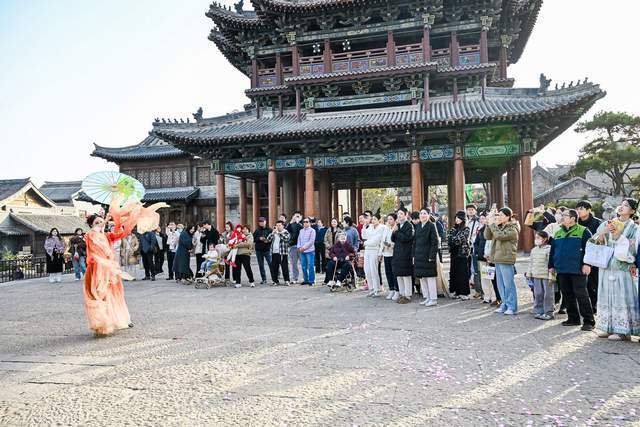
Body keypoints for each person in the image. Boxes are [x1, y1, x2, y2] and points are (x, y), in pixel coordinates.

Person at [83, 198, 165, 335]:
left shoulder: (107, 236)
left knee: (115, 295)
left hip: (110, 270)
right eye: (96, 222)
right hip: (98, 269)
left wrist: (130, 219)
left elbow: (121, 234)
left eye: (100, 221)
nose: (99, 224)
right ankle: (101, 321)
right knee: (101, 295)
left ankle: (121, 320)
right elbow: (95, 249)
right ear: (91, 225)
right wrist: (105, 220)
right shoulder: (91, 235)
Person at [596, 199, 640, 340]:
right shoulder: (609, 222)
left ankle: (623, 331)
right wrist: (602, 235)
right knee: (607, 296)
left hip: (622, 267)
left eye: (626, 205)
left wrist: (618, 236)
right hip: (607, 265)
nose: (621, 207)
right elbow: (598, 239)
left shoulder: (634, 228)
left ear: (632, 211)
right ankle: (607, 327)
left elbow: (633, 248)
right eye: (621, 204)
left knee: (621, 297)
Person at [549, 209, 595, 331]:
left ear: (573, 218)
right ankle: (573, 318)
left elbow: (591, 248)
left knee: (581, 295)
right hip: (562, 269)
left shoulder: (583, 231)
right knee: (567, 294)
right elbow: (553, 251)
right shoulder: (558, 232)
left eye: (564, 215)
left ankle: (589, 321)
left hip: (578, 269)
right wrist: (551, 266)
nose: (561, 217)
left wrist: (587, 264)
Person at [485, 207, 520, 315]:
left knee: (508, 284)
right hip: (497, 258)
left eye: (501, 215)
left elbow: (500, 236)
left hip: (506, 258)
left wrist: (492, 225)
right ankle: (504, 304)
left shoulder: (513, 227)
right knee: (500, 284)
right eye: (498, 215)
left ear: (508, 216)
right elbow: (487, 236)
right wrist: (488, 224)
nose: (499, 217)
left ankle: (512, 306)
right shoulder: (498, 226)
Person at [576, 200, 602, 313]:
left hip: (594, 257)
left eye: (581, 208)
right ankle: (583, 307)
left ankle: (594, 306)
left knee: (593, 283)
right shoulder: (576, 222)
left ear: (589, 210)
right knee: (580, 285)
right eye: (577, 209)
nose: (578, 211)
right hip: (579, 256)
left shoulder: (597, 223)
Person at [413, 208, 439, 306]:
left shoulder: (431, 226)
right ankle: (427, 297)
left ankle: (433, 298)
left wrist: (432, 256)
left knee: (430, 278)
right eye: (421, 213)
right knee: (422, 277)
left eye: (425, 213)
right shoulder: (418, 226)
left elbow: (434, 242)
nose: (422, 215)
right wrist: (413, 255)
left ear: (428, 215)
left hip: (428, 255)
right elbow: (414, 242)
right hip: (419, 255)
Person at [526, 231, 554, 320]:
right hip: (536, 275)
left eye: (538, 238)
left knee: (548, 295)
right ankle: (538, 311)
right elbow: (531, 263)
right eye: (536, 238)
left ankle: (549, 312)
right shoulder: (534, 250)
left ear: (545, 239)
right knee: (538, 294)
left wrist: (552, 275)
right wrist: (529, 273)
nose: (536, 239)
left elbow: (551, 263)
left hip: (547, 276)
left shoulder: (549, 249)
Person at [392, 208, 415, 304]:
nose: (399, 215)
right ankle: (401, 294)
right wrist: (394, 231)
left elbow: (407, 238)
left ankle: (407, 295)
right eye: (398, 214)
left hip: (406, 253)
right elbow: (393, 239)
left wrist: (397, 232)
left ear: (406, 215)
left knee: (406, 275)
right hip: (397, 253)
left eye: (401, 214)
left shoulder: (409, 225)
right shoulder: (398, 225)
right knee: (399, 275)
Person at [447, 211, 471, 300]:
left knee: (462, 273)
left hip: (462, 253)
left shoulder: (466, 229)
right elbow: (448, 240)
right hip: (454, 253)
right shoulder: (453, 229)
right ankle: (455, 292)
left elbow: (459, 240)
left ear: (463, 219)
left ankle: (464, 293)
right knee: (454, 272)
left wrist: (453, 240)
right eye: (456, 218)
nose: (457, 220)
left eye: (459, 218)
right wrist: (453, 240)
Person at [474, 213, 496, 305]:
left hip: (491, 258)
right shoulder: (481, 230)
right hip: (482, 257)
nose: (485, 220)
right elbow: (476, 243)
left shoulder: (494, 229)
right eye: (483, 219)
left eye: (487, 218)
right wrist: (477, 252)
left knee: (492, 278)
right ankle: (487, 296)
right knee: (484, 278)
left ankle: (494, 297)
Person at [362, 213, 385, 297]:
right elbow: (364, 236)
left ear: (379, 220)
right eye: (372, 219)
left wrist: (366, 243)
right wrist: (364, 227)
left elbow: (377, 240)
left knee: (373, 270)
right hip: (367, 250)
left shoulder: (382, 228)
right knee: (367, 270)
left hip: (375, 250)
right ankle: (371, 288)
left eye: (375, 219)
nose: (373, 221)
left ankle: (376, 289)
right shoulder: (370, 227)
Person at [267, 220, 291, 286]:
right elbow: (268, 239)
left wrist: (278, 233)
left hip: (282, 253)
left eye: (279, 225)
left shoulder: (286, 232)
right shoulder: (274, 232)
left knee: (284, 267)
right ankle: (275, 281)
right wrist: (272, 233)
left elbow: (286, 239)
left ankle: (287, 280)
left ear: (283, 226)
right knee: (274, 267)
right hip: (274, 252)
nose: (278, 227)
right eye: (277, 225)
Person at [382, 213, 398, 300]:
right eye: (388, 219)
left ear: (395, 220)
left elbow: (396, 240)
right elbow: (383, 240)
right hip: (386, 253)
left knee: (394, 272)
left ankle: (396, 290)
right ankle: (391, 289)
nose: (389, 221)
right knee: (388, 272)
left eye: (391, 219)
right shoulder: (386, 228)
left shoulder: (396, 228)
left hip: (393, 253)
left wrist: (391, 245)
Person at [253, 217, 273, 285]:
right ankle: (264, 279)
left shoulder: (270, 230)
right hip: (259, 250)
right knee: (261, 265)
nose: (261, 223)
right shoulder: (257, 230)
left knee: (270, 264)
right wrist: (259, 238)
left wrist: (267, 240)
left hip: (267, 250)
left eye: (263, 221)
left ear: (265, 222)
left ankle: (274, 278)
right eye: (260, 222)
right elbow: (253, 239)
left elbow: (272, 239)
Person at [297, 217, 316, 286]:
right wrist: (299, 247)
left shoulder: (312, 231)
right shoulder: (301, 231)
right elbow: (299, 239)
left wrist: (304, 247)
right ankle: (306, 280)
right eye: (304, 222)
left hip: (310, 251)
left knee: (310, 266)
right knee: (303, 266)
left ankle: (311, 280)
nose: (305, 223)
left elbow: (311, 241)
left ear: (310, 223)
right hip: (302, 251)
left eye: (307, 222)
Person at [287, 211, 303, 284]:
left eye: (298, 216)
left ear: (301, 217)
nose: (296, 217)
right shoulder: (291, 224)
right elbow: (287, 230)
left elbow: (302, 230)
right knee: (294, 264)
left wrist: (298, 222)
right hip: (293, 246)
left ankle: (305, 277)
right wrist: (291, 222)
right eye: (295, 216)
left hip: (301, 246)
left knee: (303, 263)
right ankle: (295, 278)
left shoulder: (303, 223)